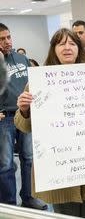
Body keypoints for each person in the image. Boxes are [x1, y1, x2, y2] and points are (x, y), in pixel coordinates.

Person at [14, 28, 85, 218]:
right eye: (61, 43)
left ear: (79, 48)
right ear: (54, 49)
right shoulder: (39, 82)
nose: (67, 47)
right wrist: (24, 110)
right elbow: (23, 126)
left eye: (72, 43)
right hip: (60, 171)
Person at [0, 23, 47, 210]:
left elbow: (33, 83)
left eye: (8, 37)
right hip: (5, 119)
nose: (7, 42)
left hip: (26, 115)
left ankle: (28, 198)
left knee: (28, 159)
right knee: (5, 165)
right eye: (1, 39)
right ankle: (9, 205)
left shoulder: (21, 58)